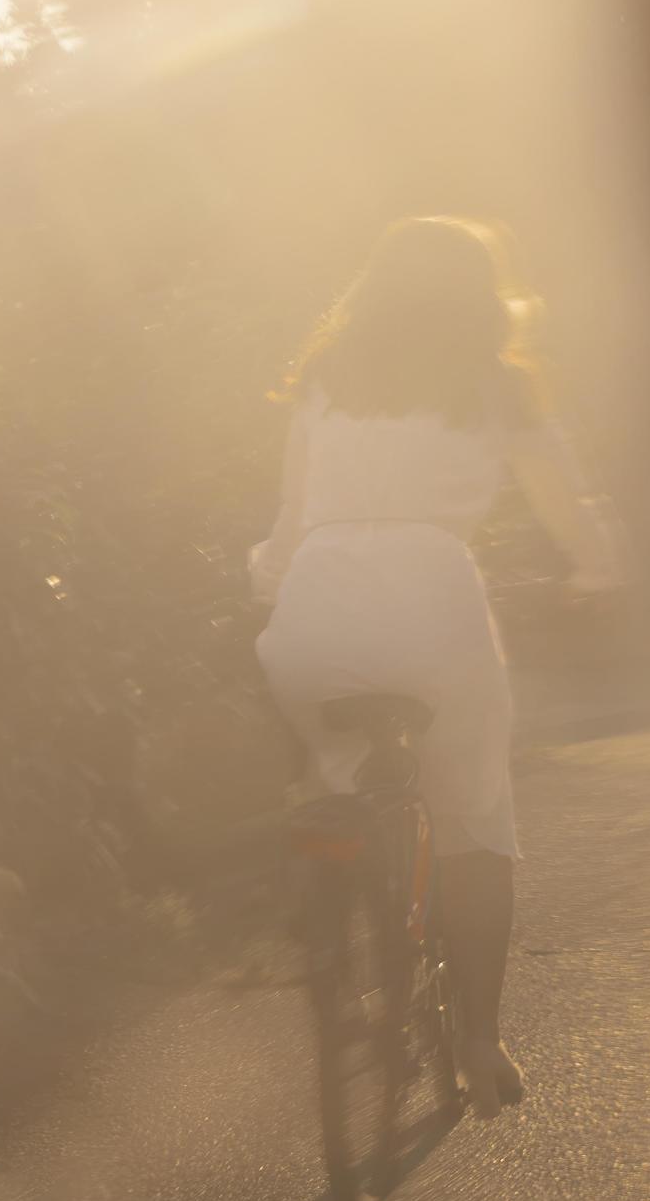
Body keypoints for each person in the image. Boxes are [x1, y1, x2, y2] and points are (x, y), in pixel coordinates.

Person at [251, 217, 624, 1118]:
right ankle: (477, 1040)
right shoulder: (494, 388)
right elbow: (564, 502)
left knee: (332, 773)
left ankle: (335, 899)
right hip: (435, 609)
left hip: (315, 605)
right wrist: (599, 567)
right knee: (475, 828)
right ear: (480, 298)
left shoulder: (324, 390)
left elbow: (287, 526)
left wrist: (270, 584)